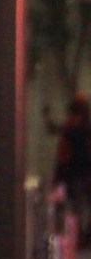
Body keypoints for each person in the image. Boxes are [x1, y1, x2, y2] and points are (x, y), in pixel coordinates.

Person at [53, 97, 91, 240]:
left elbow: (63, 155)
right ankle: (78, 236)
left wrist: (58, 176)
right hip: (80, 173)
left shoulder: (70, 130)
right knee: (78, 207)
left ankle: (74, 236)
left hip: (71, 173)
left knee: (74, 207)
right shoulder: (85, 130)